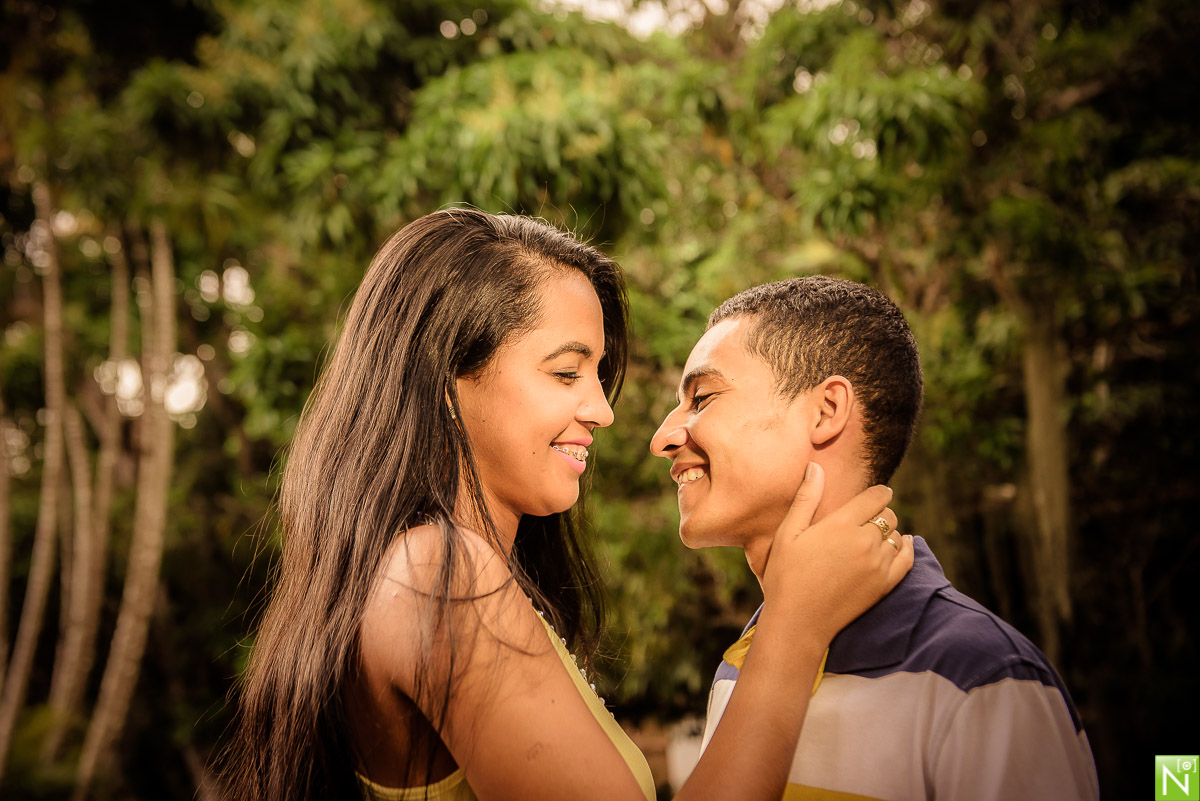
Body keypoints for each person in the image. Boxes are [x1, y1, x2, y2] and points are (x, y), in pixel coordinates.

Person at [219, 209, 913, 801]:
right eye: (565, 372)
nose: (603, 410)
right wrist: (796, 624)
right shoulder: (437, 575)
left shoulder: (443, 569)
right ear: (449, 380)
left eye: (598, 375)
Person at [651, 276, 1100, 801]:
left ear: (826, 411)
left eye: (702, 398)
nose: (663, 437)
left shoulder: (981, 677)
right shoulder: (742, 665)